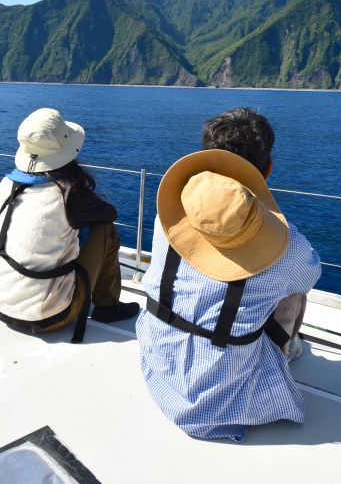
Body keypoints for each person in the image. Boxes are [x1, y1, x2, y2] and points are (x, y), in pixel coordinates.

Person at [136, 107, 321, 441]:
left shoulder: (170, 213)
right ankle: (287, 352)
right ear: (267, 169)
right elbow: (309, 275)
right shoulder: (288, 247)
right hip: (217, 398)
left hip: (157, 358)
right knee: (294, 288)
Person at [0, 108, 139, 343]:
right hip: (49, 316)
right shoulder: (69, 193)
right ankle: (107, 307)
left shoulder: (6, 185)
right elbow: (108, 214)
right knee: (105, 230)